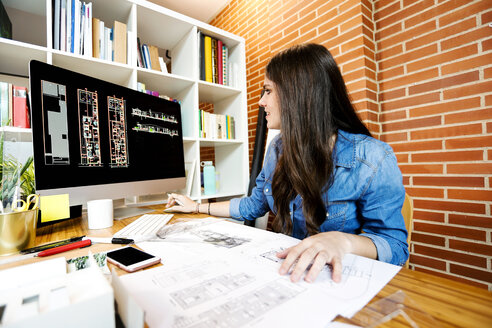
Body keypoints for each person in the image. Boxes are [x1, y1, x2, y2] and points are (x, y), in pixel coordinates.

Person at [167, 43, 408, 283]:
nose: (261, 102)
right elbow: (253, 205)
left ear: (298, 93)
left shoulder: (373, 157)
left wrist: (343, 241)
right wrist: (196, 207)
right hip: (284, 274)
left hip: (330, 283)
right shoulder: (277, 149)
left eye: (268, 91)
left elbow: (396, 247)